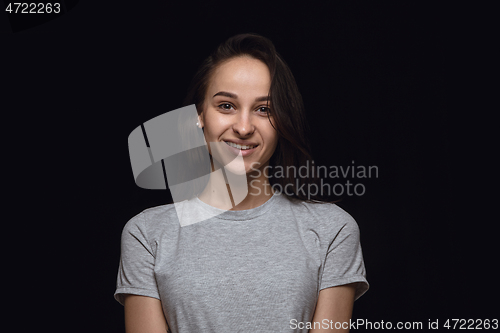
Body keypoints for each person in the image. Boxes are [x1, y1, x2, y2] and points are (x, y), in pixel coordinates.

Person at [115, 33, 369, 333]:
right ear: (199, 117)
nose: (244, 127)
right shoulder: (147, 234)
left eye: (264, 109)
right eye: (226, 106)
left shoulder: (332, 230)